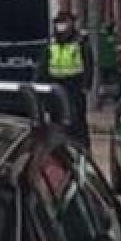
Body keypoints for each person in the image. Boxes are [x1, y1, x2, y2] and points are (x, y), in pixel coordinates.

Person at [38, 11, 93, 146]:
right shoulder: (52, 42)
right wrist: (40, 84)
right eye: (59, 23)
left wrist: (86, 85)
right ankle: (59, 149)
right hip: (55, 86)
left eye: (65, 22)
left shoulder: (80, 42)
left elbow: (88, 64)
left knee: (77, 121)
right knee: (56, 120)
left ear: (71, 24)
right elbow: (43, 64)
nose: (61, 26)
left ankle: (82, 150)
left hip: (74, 86)